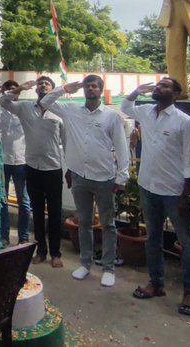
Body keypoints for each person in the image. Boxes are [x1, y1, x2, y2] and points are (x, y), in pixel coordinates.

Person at [40, 74, 130, 288]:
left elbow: (121, 147)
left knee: (108, 225)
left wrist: (122, 176)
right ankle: (85, 264)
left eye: (95, 86)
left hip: (104, 177)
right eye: (88, 86)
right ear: (83, 90)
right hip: (80, 176)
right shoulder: (70, 110)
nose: (91, 89)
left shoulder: (111, 117)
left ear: (101, 89)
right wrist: (63, 88)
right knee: (84, 223)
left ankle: (108, 268)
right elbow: (44, 102)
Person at [123, 78, 190, 316]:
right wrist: (137, 90)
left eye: (165, 86)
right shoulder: (147, 112)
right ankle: (156, 283)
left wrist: (185, 194)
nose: (159, 88)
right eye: (158, 85)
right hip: (148, 187)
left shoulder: (184, 122)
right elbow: (125, 107)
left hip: (173, 192)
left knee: (187, 243)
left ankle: (189, 292)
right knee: (152, 238)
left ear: (176, 94)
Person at [2, 77, 64, 267]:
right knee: (36, 211)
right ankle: (41, 251)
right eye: (40, 84)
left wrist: (70, 169)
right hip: (32, 167)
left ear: (53, 90)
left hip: (53, 168)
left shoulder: (61, 112)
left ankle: (55, 253)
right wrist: (20, 88)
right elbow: (3, 101)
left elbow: (67, 142)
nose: (42, 86)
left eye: (47, 84)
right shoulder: (25, 108)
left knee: (54, 212)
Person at [0, 80, 31, 246]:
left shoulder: (24, 109)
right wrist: (19, 87)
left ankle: (23, 236)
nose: (13, 92)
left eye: (15, 90)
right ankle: (4, 235)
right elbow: (2, 100)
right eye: (9, 90)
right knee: (2, 200)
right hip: (2, 161)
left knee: (24, 201)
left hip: (22, 161)